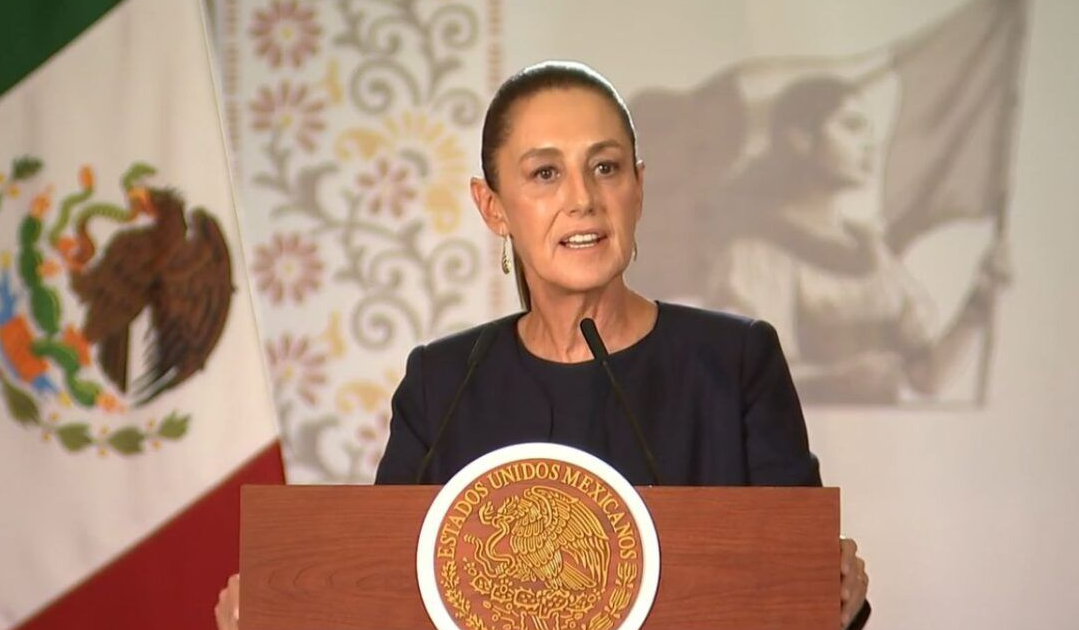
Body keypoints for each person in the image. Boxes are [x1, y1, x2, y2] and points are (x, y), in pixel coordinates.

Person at [216, 61, 870, 629]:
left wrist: (834, 594)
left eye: (605, 168)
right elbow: (385, 587)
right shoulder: (441, 383)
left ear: (638, 187)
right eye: (545, 173)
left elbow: (794, 578)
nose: (583, 199)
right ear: (493, 207)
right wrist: (276, 610)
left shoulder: (735, 361)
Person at [703, 75, 1010, 404]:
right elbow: (743, 376)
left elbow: (927, 378)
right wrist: (833, 378)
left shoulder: (874, 253)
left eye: (870, 132)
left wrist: (979, 301)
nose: (869, 145)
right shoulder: (755, 254)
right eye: (851, 127)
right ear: (800, 139)